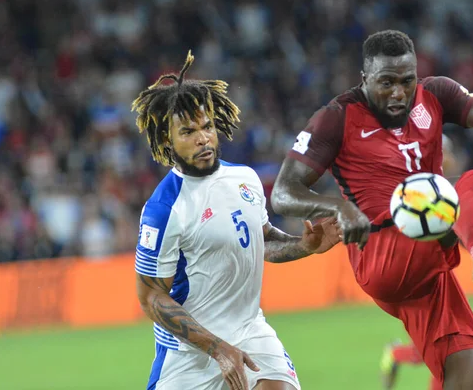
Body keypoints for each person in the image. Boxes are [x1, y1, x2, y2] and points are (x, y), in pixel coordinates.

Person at [270, 30, 473, 389]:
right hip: (380, 250)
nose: (398, 92)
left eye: (407, 81)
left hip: (427, 266)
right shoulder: (337, 117)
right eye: (386, 82)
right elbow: (283, 193)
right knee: (469, 184)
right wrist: (337, 207)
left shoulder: (436, 94)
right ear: (365, 79)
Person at [132, 51, 341, 390]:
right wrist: (216, 348)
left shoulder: (245, 179)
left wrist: (304, 245)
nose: (202, 138)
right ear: (168, 140)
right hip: (188, 358)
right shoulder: (164, 208)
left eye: (207, 126)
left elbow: (262, 240)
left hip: (250, 332)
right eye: (188, 131)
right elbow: (151, 296)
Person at [378, 134, 460, 390]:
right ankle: (395, 354)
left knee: (444, 348)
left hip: (438, 270)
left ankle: (395, 354)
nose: (449, 158)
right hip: (418, 273)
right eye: (444, 151)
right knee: (442, 350)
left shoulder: (442, 188)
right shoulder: (415, 190)